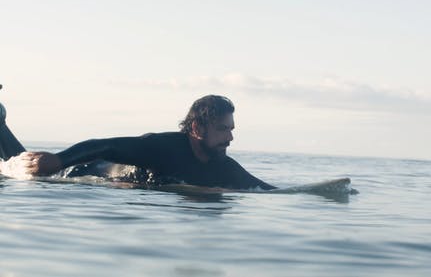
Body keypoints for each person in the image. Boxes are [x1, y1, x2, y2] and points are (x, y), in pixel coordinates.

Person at [3, 95, 277, 190]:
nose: (230, 138)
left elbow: (265, 190)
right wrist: (59, 160)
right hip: (78, 172)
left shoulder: (224, 166)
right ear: (196, 127)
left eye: (231, 130)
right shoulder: (162, 146)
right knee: (21, 167)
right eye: (222, 129)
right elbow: (107, 145)